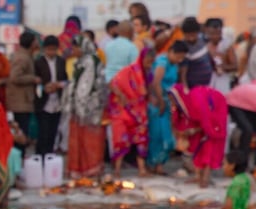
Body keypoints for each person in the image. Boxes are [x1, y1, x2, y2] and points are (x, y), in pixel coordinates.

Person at [61, 36, 107, 179]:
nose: (73, 50)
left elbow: (85, 87)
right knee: (79, 139)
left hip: (88, 109)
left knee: (89, 140)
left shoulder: (91, 62)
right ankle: (79, 168)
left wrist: (79, 106)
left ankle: (90, 169)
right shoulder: (81, 61)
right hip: (79, 109)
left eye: (75, 47)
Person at [108, 48, 154, 178]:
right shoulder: (129, 70)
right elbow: (113, 83)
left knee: (142, 139)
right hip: (123, 109)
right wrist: (121, 95)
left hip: (140, 111)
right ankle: (117, 170)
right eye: (147, 62)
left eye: (151, 62)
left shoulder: (149, 73)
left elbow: (148, 91)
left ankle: (142, 170)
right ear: (141, 59)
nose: (149, 65)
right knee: (120, 139)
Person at [170, 84, 228, 188]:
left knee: (209, 142)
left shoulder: (196, 100)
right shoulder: (182, 106)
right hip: (203, 116)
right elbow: (178, 123)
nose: (172, 102)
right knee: (196, 142)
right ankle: (197, 175)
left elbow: (208, 124)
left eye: (172, 99)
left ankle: (205, 176)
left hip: (215, 108)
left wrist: (195, 130)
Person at [145, 41, 188, 173]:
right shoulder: (162, 62)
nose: (180, 59)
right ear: (171, 52)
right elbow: (155, 82)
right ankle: (152, 165)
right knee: (157, 135)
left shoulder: (174, 64)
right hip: (157, 102)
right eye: (178, 56)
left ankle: (160, 165)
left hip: (168, 101)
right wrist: (160, 100)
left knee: (167, 136)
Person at [35, 36, 67, 155]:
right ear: (44, 49)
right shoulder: (38, 62)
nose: (51, 52)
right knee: (43, 133)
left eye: (54, 49)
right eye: (49, 49)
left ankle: (49, 156)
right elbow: (36, 82)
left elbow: (66, 80)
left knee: (53, 133)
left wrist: (59, 85)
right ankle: (40, 157)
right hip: (43, 102)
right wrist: (45, 88)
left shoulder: (61, 61)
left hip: (57, 102)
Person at [7, 32, 39, 143]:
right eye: (35, 41)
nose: (37, 43)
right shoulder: (22, 58)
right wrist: (33, 79)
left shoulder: (26, 55)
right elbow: (14, 77)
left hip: (22, 101)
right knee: (20, 133)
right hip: (20, 103)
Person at [206, 18, 237, 95]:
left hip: (223, 81)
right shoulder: (206, 45)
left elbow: (235, 66)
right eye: (212, 34)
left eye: (217, 33)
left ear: (221, 32)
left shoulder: (227, 46)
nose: (214, 36)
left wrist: (221, 67)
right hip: (208, 81)